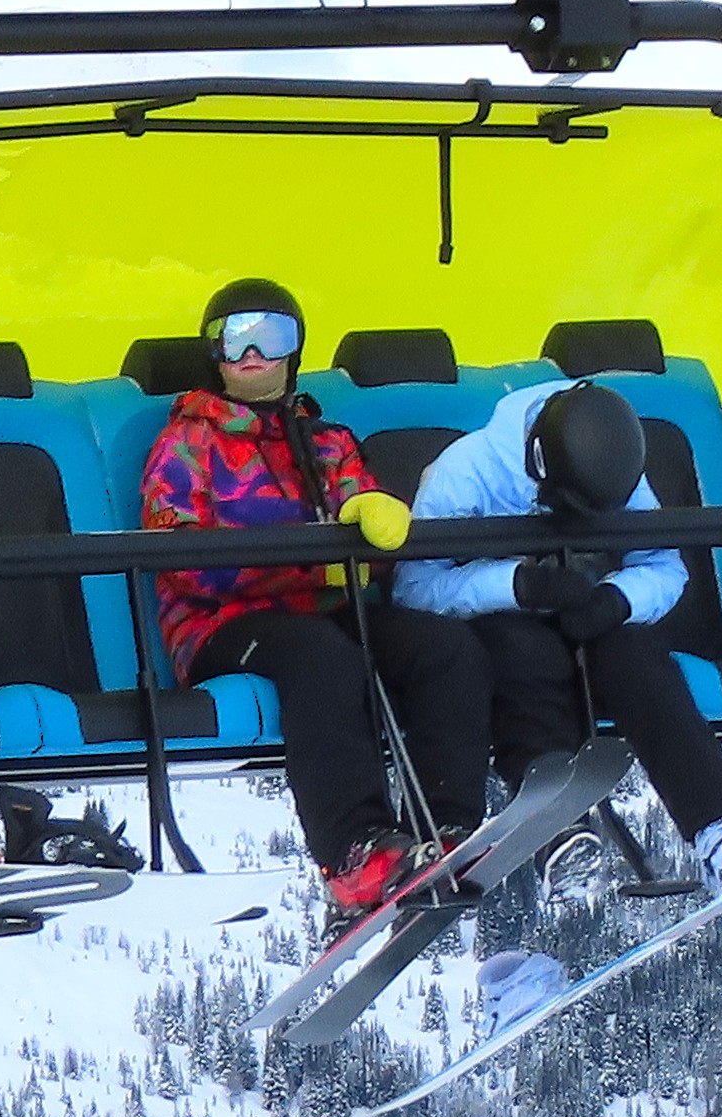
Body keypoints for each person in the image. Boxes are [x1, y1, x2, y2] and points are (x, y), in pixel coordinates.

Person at [138, 278, 489, 926]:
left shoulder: (326, 443)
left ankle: (445, 827)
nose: (251, 354)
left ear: (295, 350)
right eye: (234, 339)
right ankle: (355, 850)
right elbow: (183, 560)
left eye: (270, 337)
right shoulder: (187, 443)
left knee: (445, 648)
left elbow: (367, 527)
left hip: (326, 611)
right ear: (212, 351)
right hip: (221, 625)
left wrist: (370, 529)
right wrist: (310, 565)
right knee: (322, 658)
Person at [389, 373, 722, 901]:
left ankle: (721, 824)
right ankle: (553, 818)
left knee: (635, 654)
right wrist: (515, 584)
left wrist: (618, 598)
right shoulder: (463, 475)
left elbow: (663, 565)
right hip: (500, 620)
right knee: (519, 653)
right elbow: (415, 588)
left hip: (586, 606)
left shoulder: (617, 469)